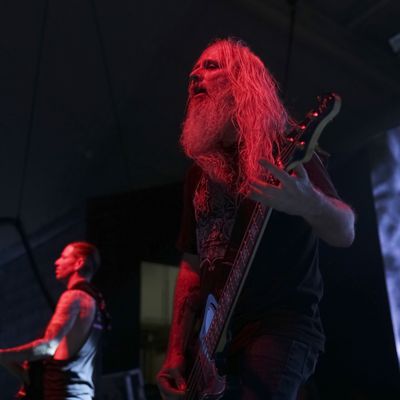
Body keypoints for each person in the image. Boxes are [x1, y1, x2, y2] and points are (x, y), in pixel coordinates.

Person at [156, 38, 355, 399]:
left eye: (211, 66)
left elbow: (345, 230)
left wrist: (309, 203)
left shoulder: (284, 150)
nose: (195, 75)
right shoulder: (197, 175)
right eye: (194, 70)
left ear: (242, 83)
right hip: (215, 338)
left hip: (279, 325)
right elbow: (191, 266)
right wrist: (174, 351)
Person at [0, 241, 109, 400]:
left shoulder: (73, 297)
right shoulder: (96, 303)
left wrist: (4, 354)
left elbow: (47, 347)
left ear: (79, 263)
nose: (57, 261)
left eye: (64, 257)